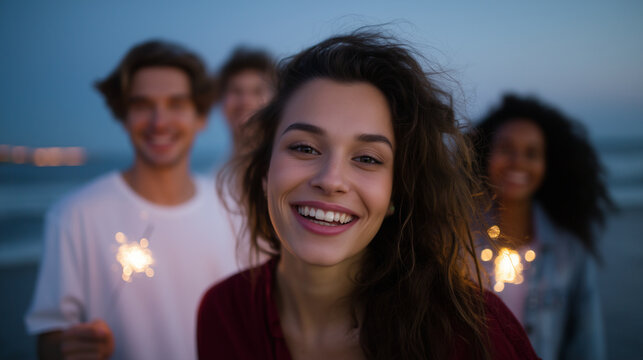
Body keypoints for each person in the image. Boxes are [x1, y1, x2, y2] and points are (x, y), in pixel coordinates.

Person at [197, 31, 539, 360]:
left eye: (367, 158)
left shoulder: (474, 334)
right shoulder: (225, 315)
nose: (331, 180)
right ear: (264, 171)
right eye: (304, 147)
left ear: (396, 192)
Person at [25, 40, 241, 359]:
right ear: (123, 115)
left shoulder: (234, 211)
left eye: (176, 104)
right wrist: (69, 347)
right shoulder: (75, 215)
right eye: (142, 105)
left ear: (201, 117)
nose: (159, 121)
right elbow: (49, 339)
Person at [472, 94, 613, 360]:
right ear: (485, 153)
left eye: (532, 153)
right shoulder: (456, 238)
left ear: (548, 165)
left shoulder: (570, 250)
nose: (518, 161)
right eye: (506, 148)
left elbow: (587, 343)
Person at [217, 47, 276, 149]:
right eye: (236, 91)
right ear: (220, 98)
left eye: (257, 92)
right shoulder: (209, 165)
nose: (246, 101)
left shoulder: (288, 164)